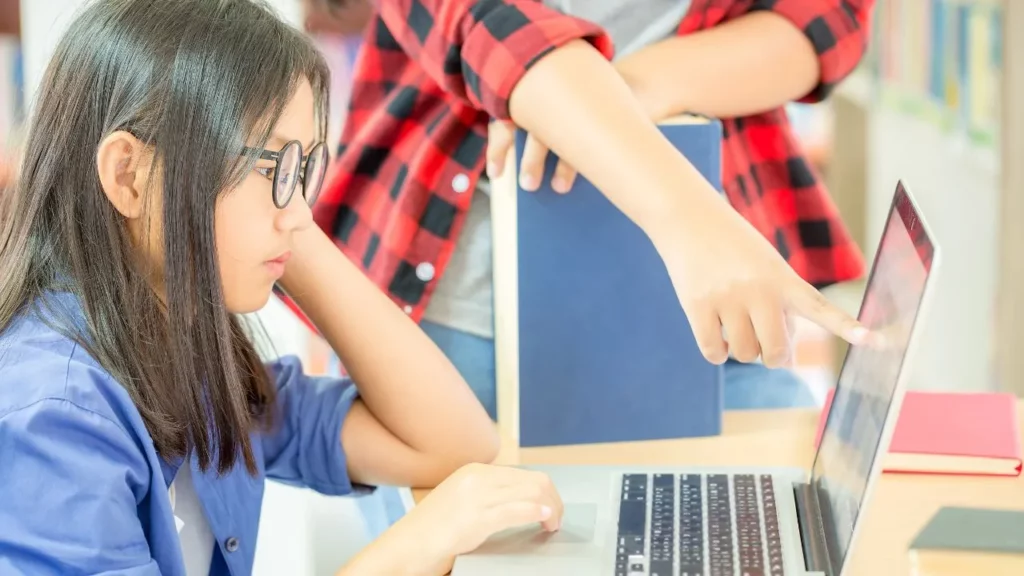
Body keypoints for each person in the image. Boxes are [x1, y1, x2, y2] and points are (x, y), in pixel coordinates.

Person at [0, 1, 571, 574]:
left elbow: (454, 443)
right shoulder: (56, 416)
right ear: (129, 174)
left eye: (305, 168)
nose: (302, 213)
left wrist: (282, 211)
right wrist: (415, 546)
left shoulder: (187, 351)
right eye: (271, 166)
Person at [311, 0, 873, 419]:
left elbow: (827, 20)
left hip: (709, 317)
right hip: (461, 319)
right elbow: (489, 27)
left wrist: (619, 91)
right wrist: (694, 223)